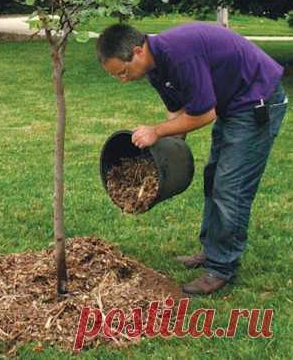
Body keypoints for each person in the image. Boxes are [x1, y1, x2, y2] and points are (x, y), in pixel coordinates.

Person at [96, 22, 288, 295]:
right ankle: (212, 251)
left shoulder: (179, 54)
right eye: (117, 76)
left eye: (123, 72)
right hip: (232, 104)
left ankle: (222, 267)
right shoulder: (154, 68)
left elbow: (204, 114)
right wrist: (158, 159)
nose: (123, 79)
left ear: (138, 51)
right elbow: (178, 113)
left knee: (230, 187)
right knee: (213, 179)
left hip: (257, 102)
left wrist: (156, 131)